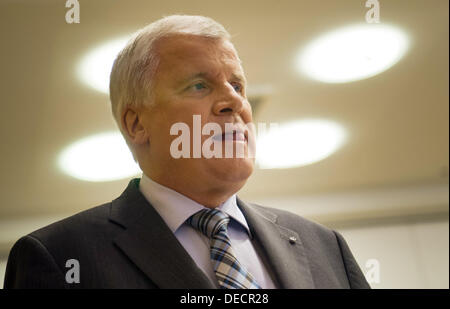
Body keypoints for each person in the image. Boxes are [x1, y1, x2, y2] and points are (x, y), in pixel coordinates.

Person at [4, 15, 370, 289]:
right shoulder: (60, 257)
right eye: (199, 85)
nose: (234, 102)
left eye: (237, 84)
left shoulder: (325, 247)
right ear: (136, 124)